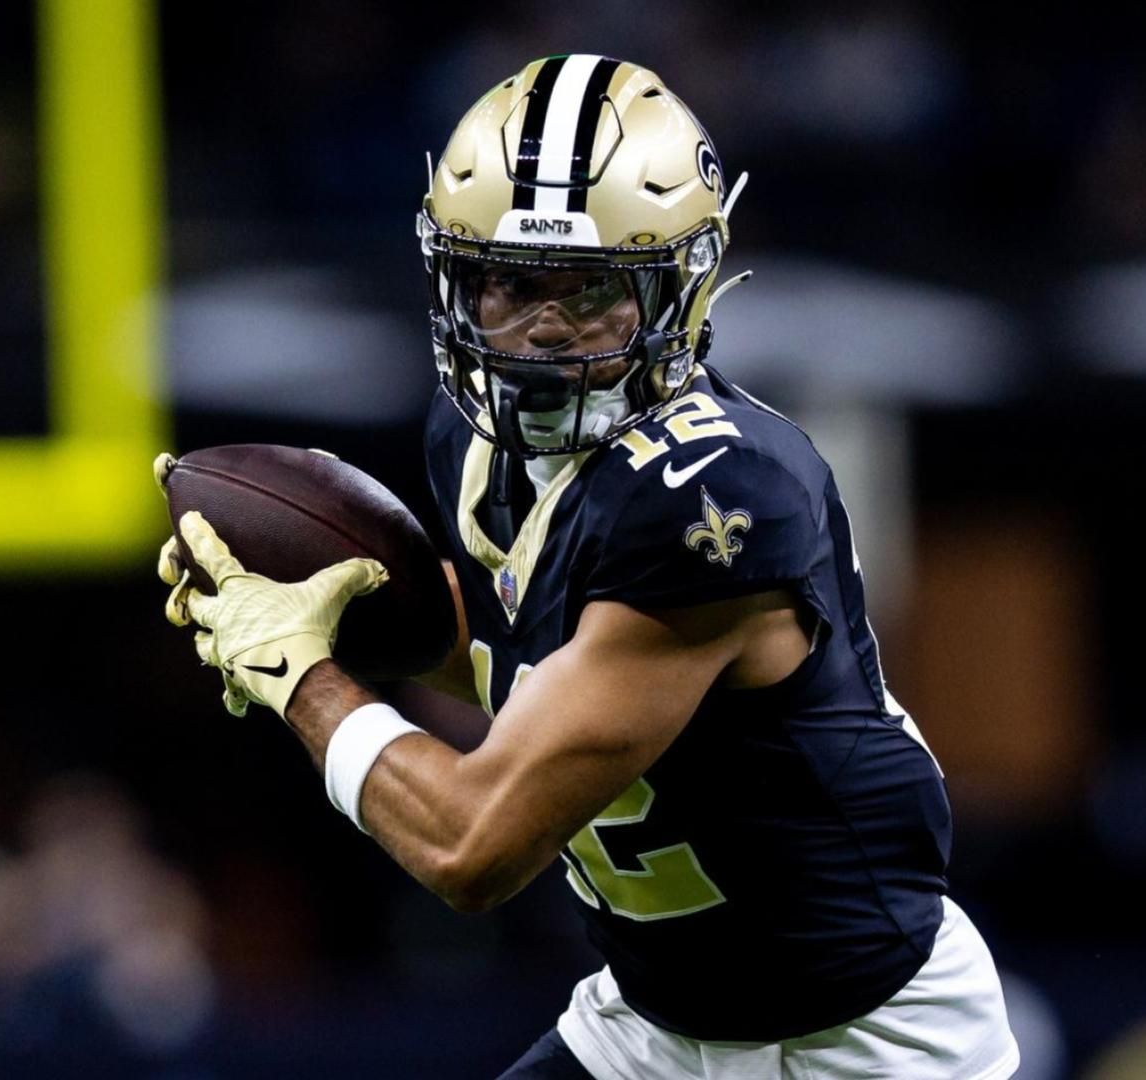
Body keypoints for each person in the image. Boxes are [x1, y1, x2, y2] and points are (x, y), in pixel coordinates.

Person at [156, 55, 1019, 1080]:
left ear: (679, 287)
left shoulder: (716, 494)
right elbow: (522, 676)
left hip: (854, 1040)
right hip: (655, 1021)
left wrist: (302, 677)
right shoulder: (478, 448)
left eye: (592, 289)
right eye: (512, 282)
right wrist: (331, 611)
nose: (547, 327)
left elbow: (473, 848)